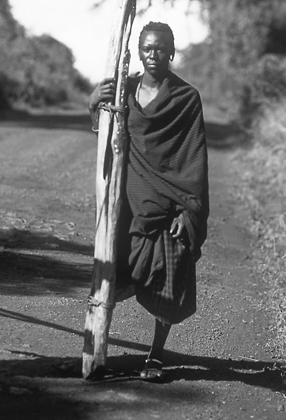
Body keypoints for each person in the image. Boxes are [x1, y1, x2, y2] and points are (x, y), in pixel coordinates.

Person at [88, 21, 210, 382]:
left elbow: (193, 157)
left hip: (169, 208)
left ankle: (155, 355)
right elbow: (105, 136)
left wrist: (187, 209)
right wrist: (94, 104)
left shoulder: (186, 98)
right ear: (138, 52)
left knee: (166, 279)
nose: (153, 55)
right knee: (112, 271)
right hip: (127, 204)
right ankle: (96, 350)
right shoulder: (123, 90)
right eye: (147, 48)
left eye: (160, 48)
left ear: (171, 52)